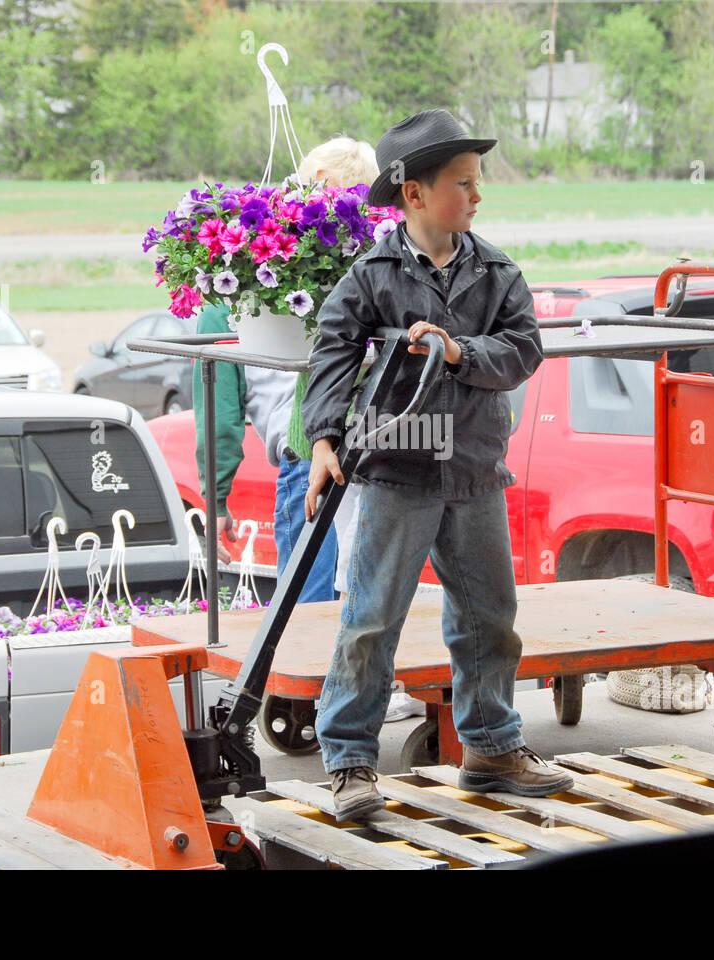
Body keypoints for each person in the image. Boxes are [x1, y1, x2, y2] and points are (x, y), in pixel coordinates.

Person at [301, 108, 574, 821]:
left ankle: (489, 746)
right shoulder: (372, 276)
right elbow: (332, 349)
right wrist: (325, 439)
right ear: (414, 195)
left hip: (475, 471)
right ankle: (351, 761)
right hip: (398, 471)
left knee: (489, 616)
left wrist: (458, 351)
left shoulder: (497, 271)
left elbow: (523, 349)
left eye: (478, 181)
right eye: (464, 182)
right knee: (371, 618)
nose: (478, 195)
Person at [192, 137, 377, 599]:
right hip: (377, 452)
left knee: (305, 617)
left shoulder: (230, 297)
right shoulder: (374, 271)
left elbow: (220, 413)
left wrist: (215, 500)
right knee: (365, 609)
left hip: (306, 457)